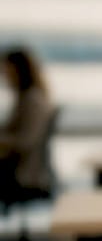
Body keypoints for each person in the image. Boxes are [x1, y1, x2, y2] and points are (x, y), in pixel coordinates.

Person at [0, 47, 55, 200]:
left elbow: (26, 141)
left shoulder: (32, 100)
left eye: (6, 70)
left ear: (19, 70)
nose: (4, 76)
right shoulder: (24, 98)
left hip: (25, 175)